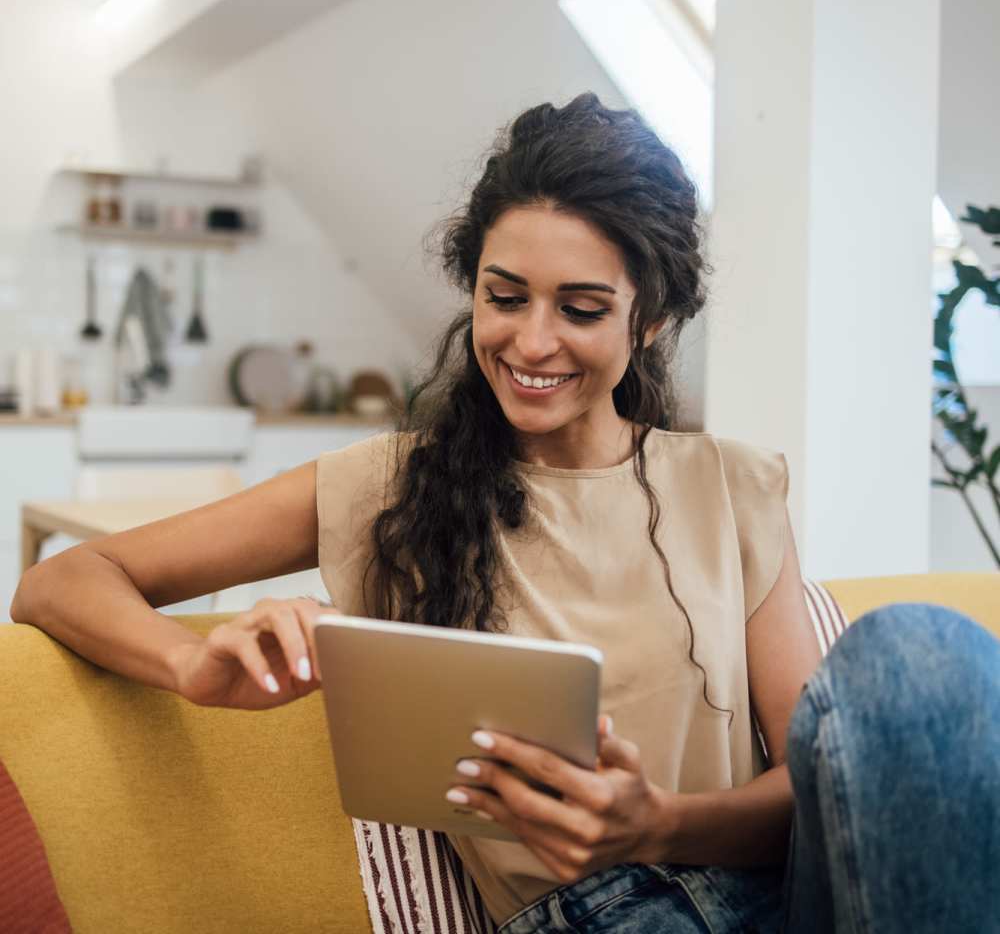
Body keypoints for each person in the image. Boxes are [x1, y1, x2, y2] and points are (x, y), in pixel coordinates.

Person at [12, 93, 999, 934]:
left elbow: (811, 789)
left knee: (917, 648)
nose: (532, 341)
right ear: (472, 292)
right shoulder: (389, 485)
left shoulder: (731, 487)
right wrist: (192, 664)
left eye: (579, 307)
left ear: (646, 317)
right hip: (599, 915)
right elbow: (59, 580)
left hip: (794, 899)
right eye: (504, 295)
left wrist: (657, 820)